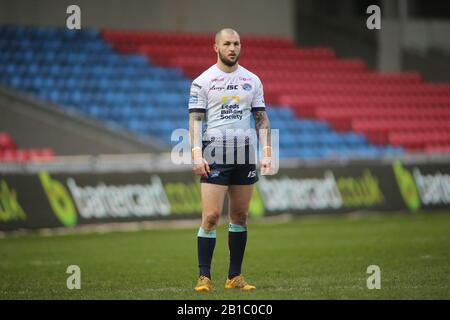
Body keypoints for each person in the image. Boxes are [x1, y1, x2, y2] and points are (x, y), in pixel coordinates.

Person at [188, 28, 272, 292]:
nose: (232, 48)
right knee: (211, 216)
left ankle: (234, 277)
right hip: (215, 151)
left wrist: (266, 152)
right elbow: (195, 121)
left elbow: (261, 119)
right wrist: (196, 154)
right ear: (216, 47)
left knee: (240, 216)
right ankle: (204, 276)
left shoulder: (252, 80)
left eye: (236, 43)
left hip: (245, 152)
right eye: (227, 44)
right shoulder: (203, 81)